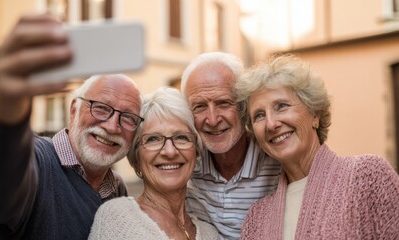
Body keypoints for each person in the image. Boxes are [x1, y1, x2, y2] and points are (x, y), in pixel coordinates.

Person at [0, 14, 143, 239]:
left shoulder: (116, 190)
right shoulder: (37, 162)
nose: (112, 126)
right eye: (100, 108)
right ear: (74, 110)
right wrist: (5, 106)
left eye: (128, 117)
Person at [235, 54, 399, 239]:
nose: (271, 124)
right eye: (259, 115)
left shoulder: (368, 176)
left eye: (281, 106)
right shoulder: (256, 219)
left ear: (315, 114)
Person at [88, 86, 219, 240]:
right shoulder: (116, 219)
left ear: (196, 151)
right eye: (153, 139)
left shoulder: (210, 234)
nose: (170, 152)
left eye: (181, 137)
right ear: (136, 159)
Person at [180, 51, 281, 239]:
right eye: (200, 106)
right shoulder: (185, 164)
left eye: (224, 103)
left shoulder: (278, 162)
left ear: (244, 105)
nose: (212, 119)